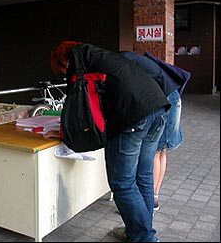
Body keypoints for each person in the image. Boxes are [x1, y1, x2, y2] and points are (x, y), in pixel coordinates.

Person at [47, 41, 171, 242]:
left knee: (123, 183)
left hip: (134, 118)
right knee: (143, 177)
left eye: (62, 69)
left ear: (64, 60)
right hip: (158, 109)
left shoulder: (78, 65)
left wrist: (66, 133)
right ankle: (139, 231)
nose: (64, 73)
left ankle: (144, 237)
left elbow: (78, 108)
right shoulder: (101, 55)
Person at [119, 51, 188, 212]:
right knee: (162, 151)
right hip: (174, 97)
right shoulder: (135, 59)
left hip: (165, 100)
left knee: (155, 152)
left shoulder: (123, 62)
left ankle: (151, 199)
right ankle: (154, 196)